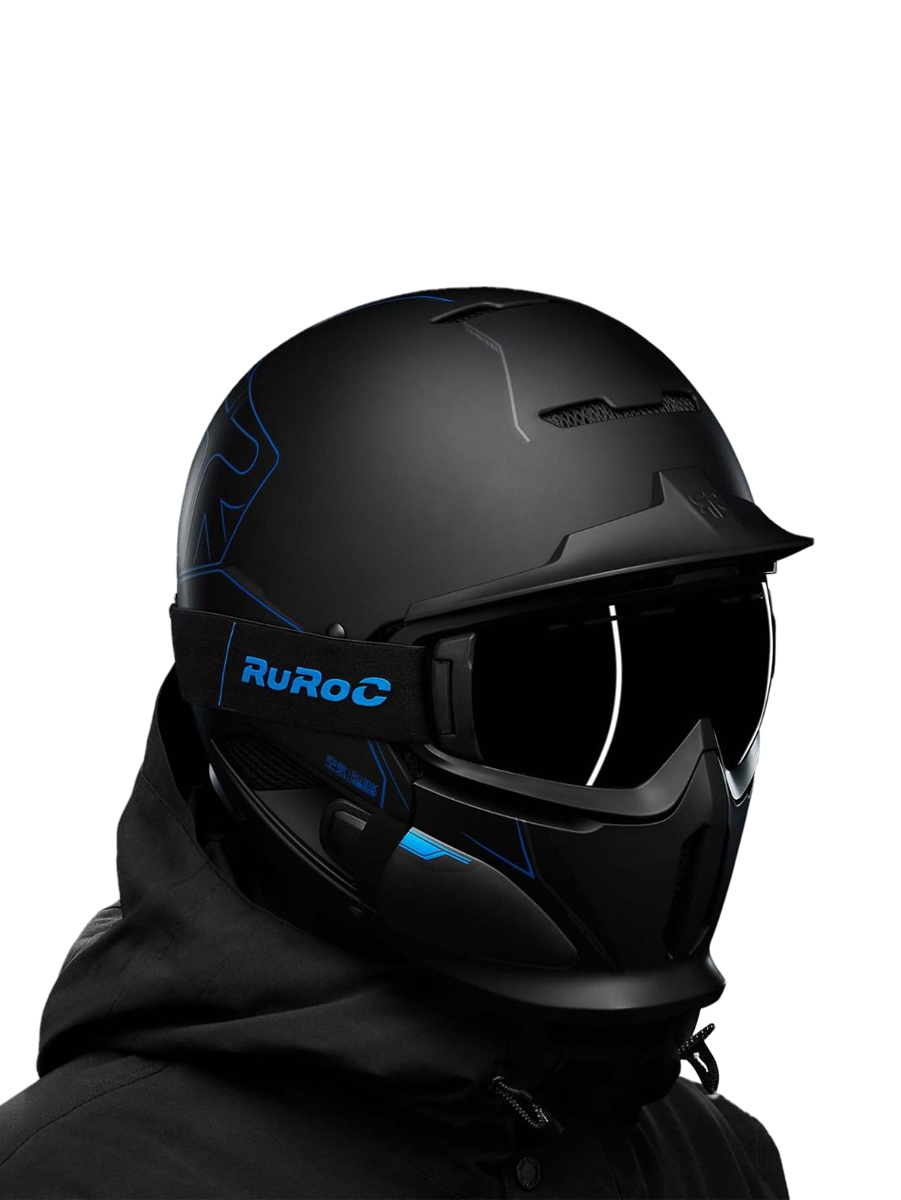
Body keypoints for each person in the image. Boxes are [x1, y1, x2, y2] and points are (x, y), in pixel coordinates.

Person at [0, 290, 810, 1198]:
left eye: (715, 670)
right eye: (560, 699)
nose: (690, 784)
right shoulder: (77, 1181)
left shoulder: (715, 1160)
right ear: (318, 704)